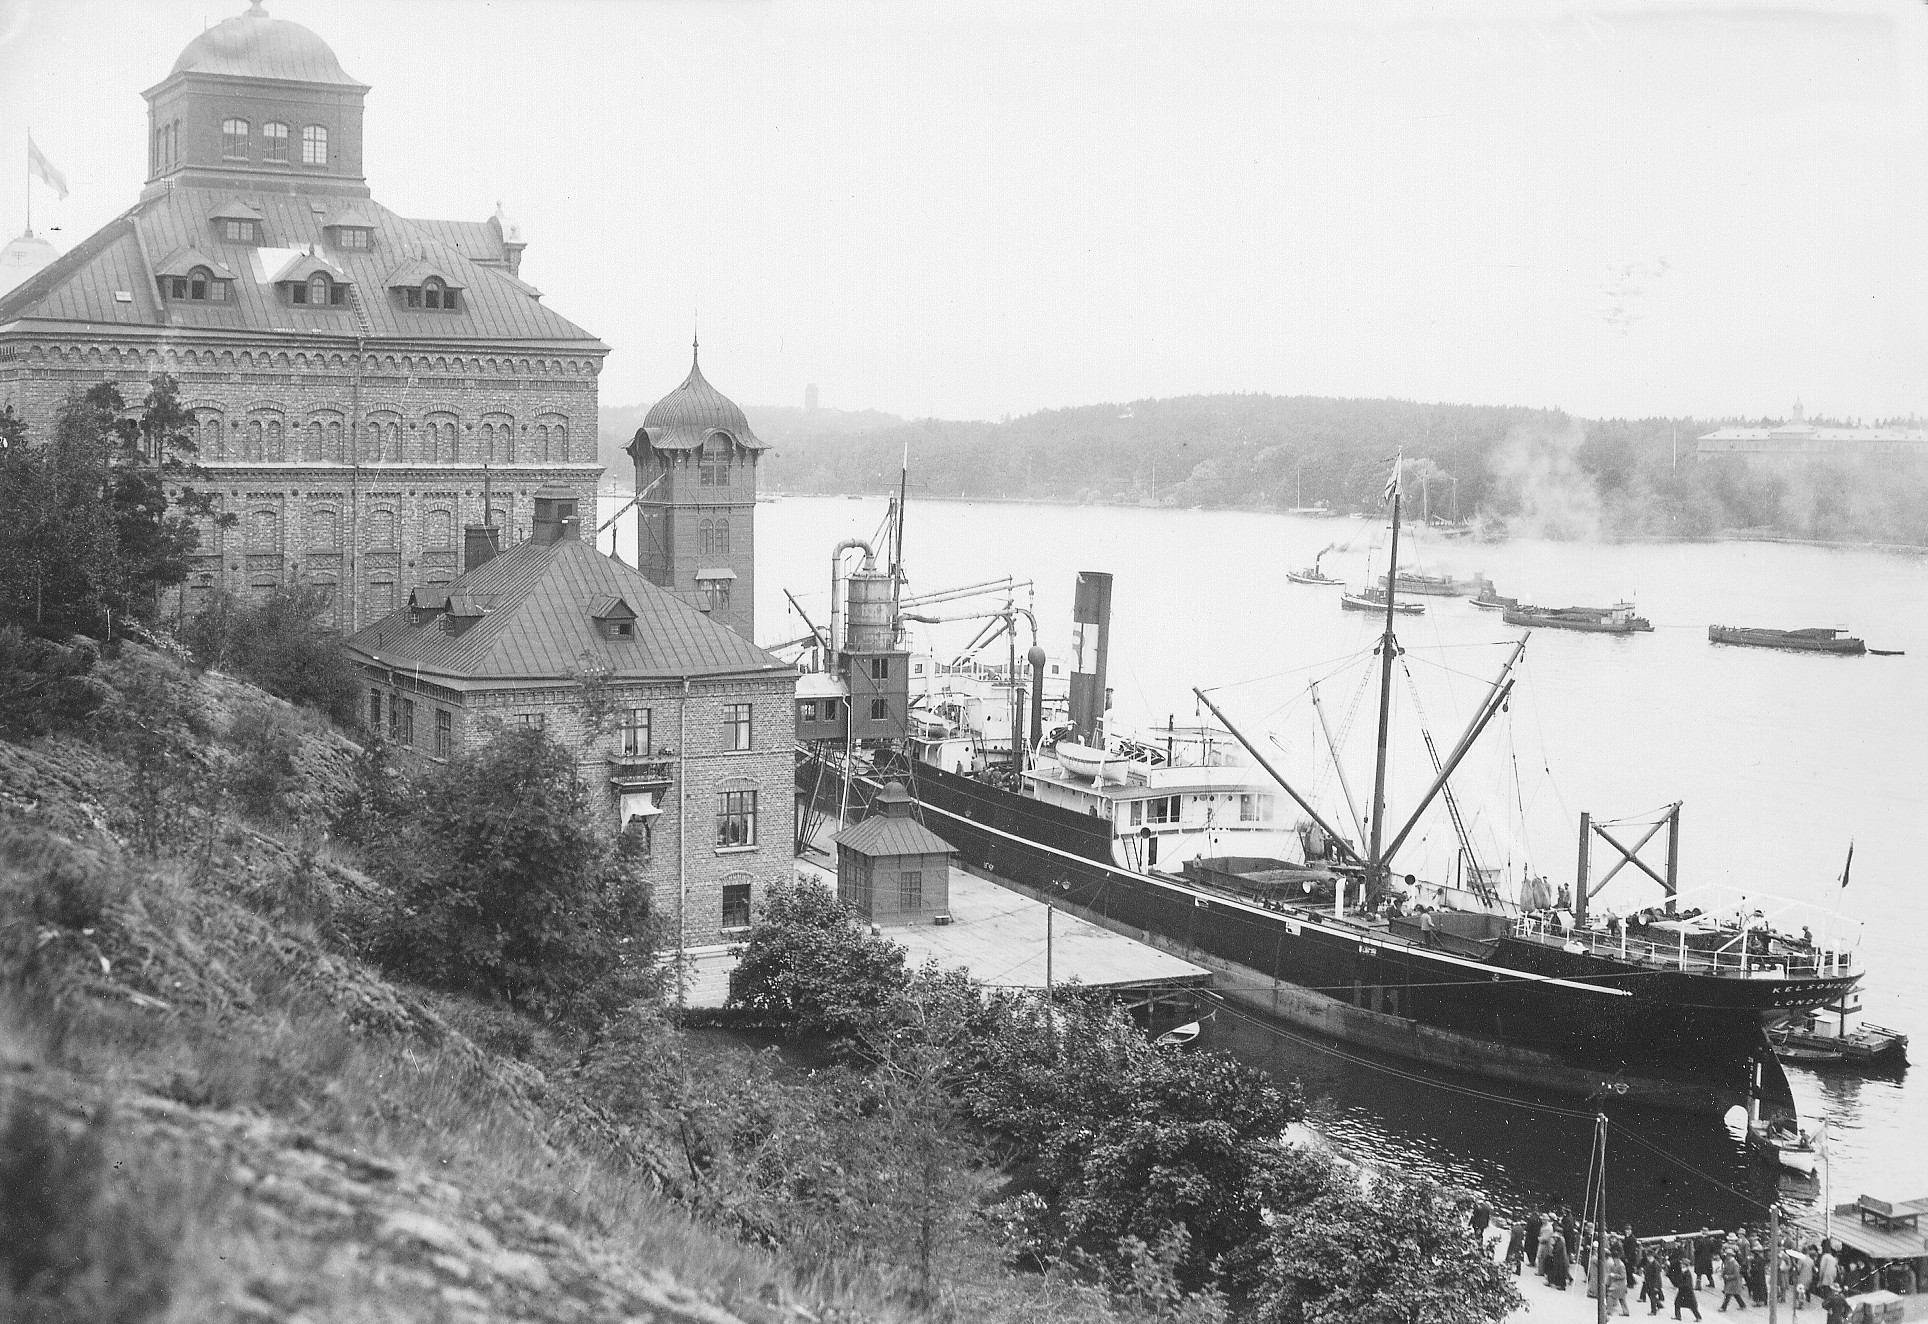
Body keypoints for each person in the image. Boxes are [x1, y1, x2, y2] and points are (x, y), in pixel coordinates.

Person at [1675, 1254, 1705, 1322]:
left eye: (1682, 1264)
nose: (1681, 1265)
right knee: (1677, 1303)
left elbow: (1687, 1284)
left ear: (1685, 1265)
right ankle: (1678, 1316)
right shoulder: (1683, 1271)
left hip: (1687, 1292)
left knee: (1692, 1306)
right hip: (1683, 1291)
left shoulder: (1687, 1273)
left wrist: (1679, 1285)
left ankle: (1698, 1317)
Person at [1720, 1246, 1748, 1312]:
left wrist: (1728, 1277)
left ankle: (1723, 1307)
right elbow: (1725, 1269)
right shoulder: (1728, 1262)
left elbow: (1736, 1275)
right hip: (1731, 1282)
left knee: (1728, 1295)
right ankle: (1742, 1305)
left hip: (1734, 1282)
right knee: (1735, 1295)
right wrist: (1722, 1274)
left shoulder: (1735, 1264)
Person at [1642, 1251, 1669, 1316]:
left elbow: (1657, 1276)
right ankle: (1659, 1305)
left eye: (1650, 1257)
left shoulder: (1655, 1264)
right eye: (1648, 1257)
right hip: (1649, 1282)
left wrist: (1656, 1286)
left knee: (1652, 1297)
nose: (1648, 1258)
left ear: (1653, 1257)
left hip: (1654, 1283)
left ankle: (1653, 1311)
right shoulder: (1649, 1263)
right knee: (1650, 1294)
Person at [1608, 1251, 1632, 1317]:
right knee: (1621, 1299)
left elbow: (1623, 1276)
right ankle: (1626, 1312)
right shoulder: (1616, 1264)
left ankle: (1609, 1311)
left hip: (1620, 1285)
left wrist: (1614, 1275)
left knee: (1611, 1296)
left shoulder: (1621, 1266)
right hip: (1618, 1284)